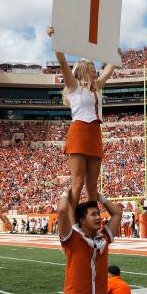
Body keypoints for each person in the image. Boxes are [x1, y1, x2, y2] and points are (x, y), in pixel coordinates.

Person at [47, 26, 118, 203]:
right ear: (85, 71)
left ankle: (91, 222)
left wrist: (114, 53)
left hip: (95, 133)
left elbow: (110, 69)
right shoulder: (73, 86)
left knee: (92, 185)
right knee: (78, 182)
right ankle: (73, 222)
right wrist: (55, 40)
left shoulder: (97, 86)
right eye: (93, 69)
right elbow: (63, 64)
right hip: (79, 132)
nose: (96, 72)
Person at [56, 188, 122, 294]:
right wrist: (66, 192)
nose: (99, 217)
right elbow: (62, 210)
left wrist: (98, 195)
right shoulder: (71, 239)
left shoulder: (103, 238)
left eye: (98, 213)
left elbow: (116, 214)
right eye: (93, 214)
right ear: (82, 219)